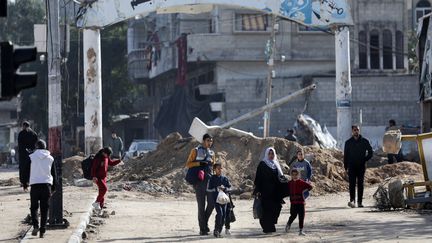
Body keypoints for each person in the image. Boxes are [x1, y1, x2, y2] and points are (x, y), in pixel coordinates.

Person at [186, 133, 216, 235]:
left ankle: (204, 223)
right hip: (199, 183)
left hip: (210, 181)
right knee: (201, 206)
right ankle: (203, 229)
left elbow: (213, 167)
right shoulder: (195, 150)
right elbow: (188, 164)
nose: (210, 142)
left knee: (212, 203)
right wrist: (199, 163)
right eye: (208, 140)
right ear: (203, 141)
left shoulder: (212, 153)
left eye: (211, 141)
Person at [28, 140, 57, 238]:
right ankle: (42, 231)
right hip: (46, 186)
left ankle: (36, 226)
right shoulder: (50, 158)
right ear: (45, 147)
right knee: (45, 209)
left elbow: (27, 170)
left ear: (36, 147)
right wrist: (54, 187)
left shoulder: (31, 157)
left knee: (34, 207)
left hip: (35, 185)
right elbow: (54, 174)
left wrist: (25, 182)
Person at [253, 147, 285, 233]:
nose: (271, 155)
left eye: (272, 154)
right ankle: (266, 226)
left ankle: (271, 224)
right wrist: (258, 190)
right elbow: (258, 178)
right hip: (264, 192)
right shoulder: (262, 164)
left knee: (276, 208)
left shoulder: (276, 164)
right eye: (269, 154)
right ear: (267, 154)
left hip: (274, 192)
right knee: (265, 210)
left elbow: (280, 177)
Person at [344, 125, 373, 208]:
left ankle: (360, 202)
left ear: (359, 131)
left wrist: (365, 159)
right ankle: (352, 200)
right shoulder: (348, 142)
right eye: (354, 130)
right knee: (352, 184)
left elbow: (371, 152)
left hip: (361, 166)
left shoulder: (364, 141)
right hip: (351, 166)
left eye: (357, 130)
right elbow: (346, 156)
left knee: (360, 184)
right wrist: (346, 167)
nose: (356, 131)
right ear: (352, 131)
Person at [206, 163, 231, 238]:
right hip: (216, 200)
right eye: (218, 168)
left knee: (223, 215)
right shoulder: (212, 178)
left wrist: (225, 189)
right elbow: (208, 189)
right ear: (214, 169)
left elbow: (230, 188)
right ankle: (216, 230)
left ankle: (219, 231)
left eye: (220, 168)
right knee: (220, 214)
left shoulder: (224, 178)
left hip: (224, 200)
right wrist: (216, 189)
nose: (220, 170)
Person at [285, 168, 312, 236]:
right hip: (293, 203)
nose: (294, 176)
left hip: (301, 202)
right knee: (293, 215)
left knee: (301, 216)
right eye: (293, 175)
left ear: (299, 175)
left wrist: (303, 191)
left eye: (296, 175)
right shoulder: (289, 183)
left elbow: (310, 187)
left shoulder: (301, 182)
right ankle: (288, 224)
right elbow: (285, 190)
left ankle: (301, 230)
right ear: (291, 175)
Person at [18, 121, 38, 191]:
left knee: (24, 169)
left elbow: (20, 145)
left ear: (25, 126)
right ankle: (26, 182)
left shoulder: (22, 134)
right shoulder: (33, 133)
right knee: (29, 168)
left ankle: (25, 183)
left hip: (24, 155)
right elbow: (36, 144)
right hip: (30, 154)